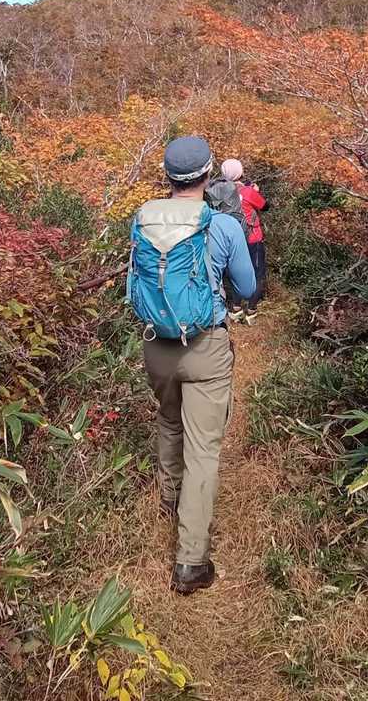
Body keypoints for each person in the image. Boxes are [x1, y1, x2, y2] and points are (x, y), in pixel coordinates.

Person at [127, 135, 255, 594]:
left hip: (156, 345)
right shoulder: (222, 226)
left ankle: (168, 500)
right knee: (203, 450)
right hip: (205, 345)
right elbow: (248, 287)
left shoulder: (143, 219)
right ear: (207, 174)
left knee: (168, 420)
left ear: (167, 177)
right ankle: (191, 562)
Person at [221, 158, 268, 325]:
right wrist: (256, 191)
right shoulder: (247, 192)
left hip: (230, 239)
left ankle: (235, 309)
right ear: (240, 172)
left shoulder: (220, 192)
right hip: (252, 238)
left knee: (235, 273)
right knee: (257, 273)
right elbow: (265, 206)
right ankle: (251, 311)